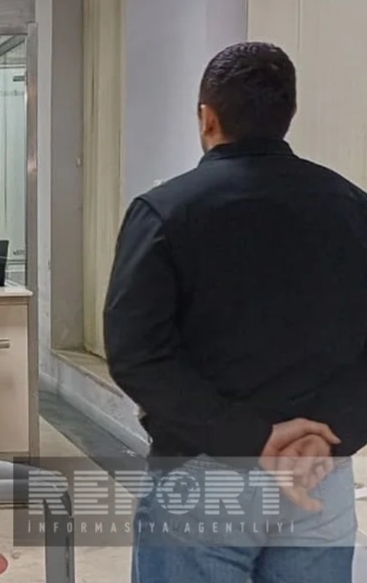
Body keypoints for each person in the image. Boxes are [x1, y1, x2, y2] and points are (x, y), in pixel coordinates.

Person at [104, 42, 366, 583]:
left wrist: (251, 437)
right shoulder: (352, 209)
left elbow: (136, 353)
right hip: (320, 474)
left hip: (205, 476)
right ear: (286, 116)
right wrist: (327, 435)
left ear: (208, 117)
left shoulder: (166, 211)